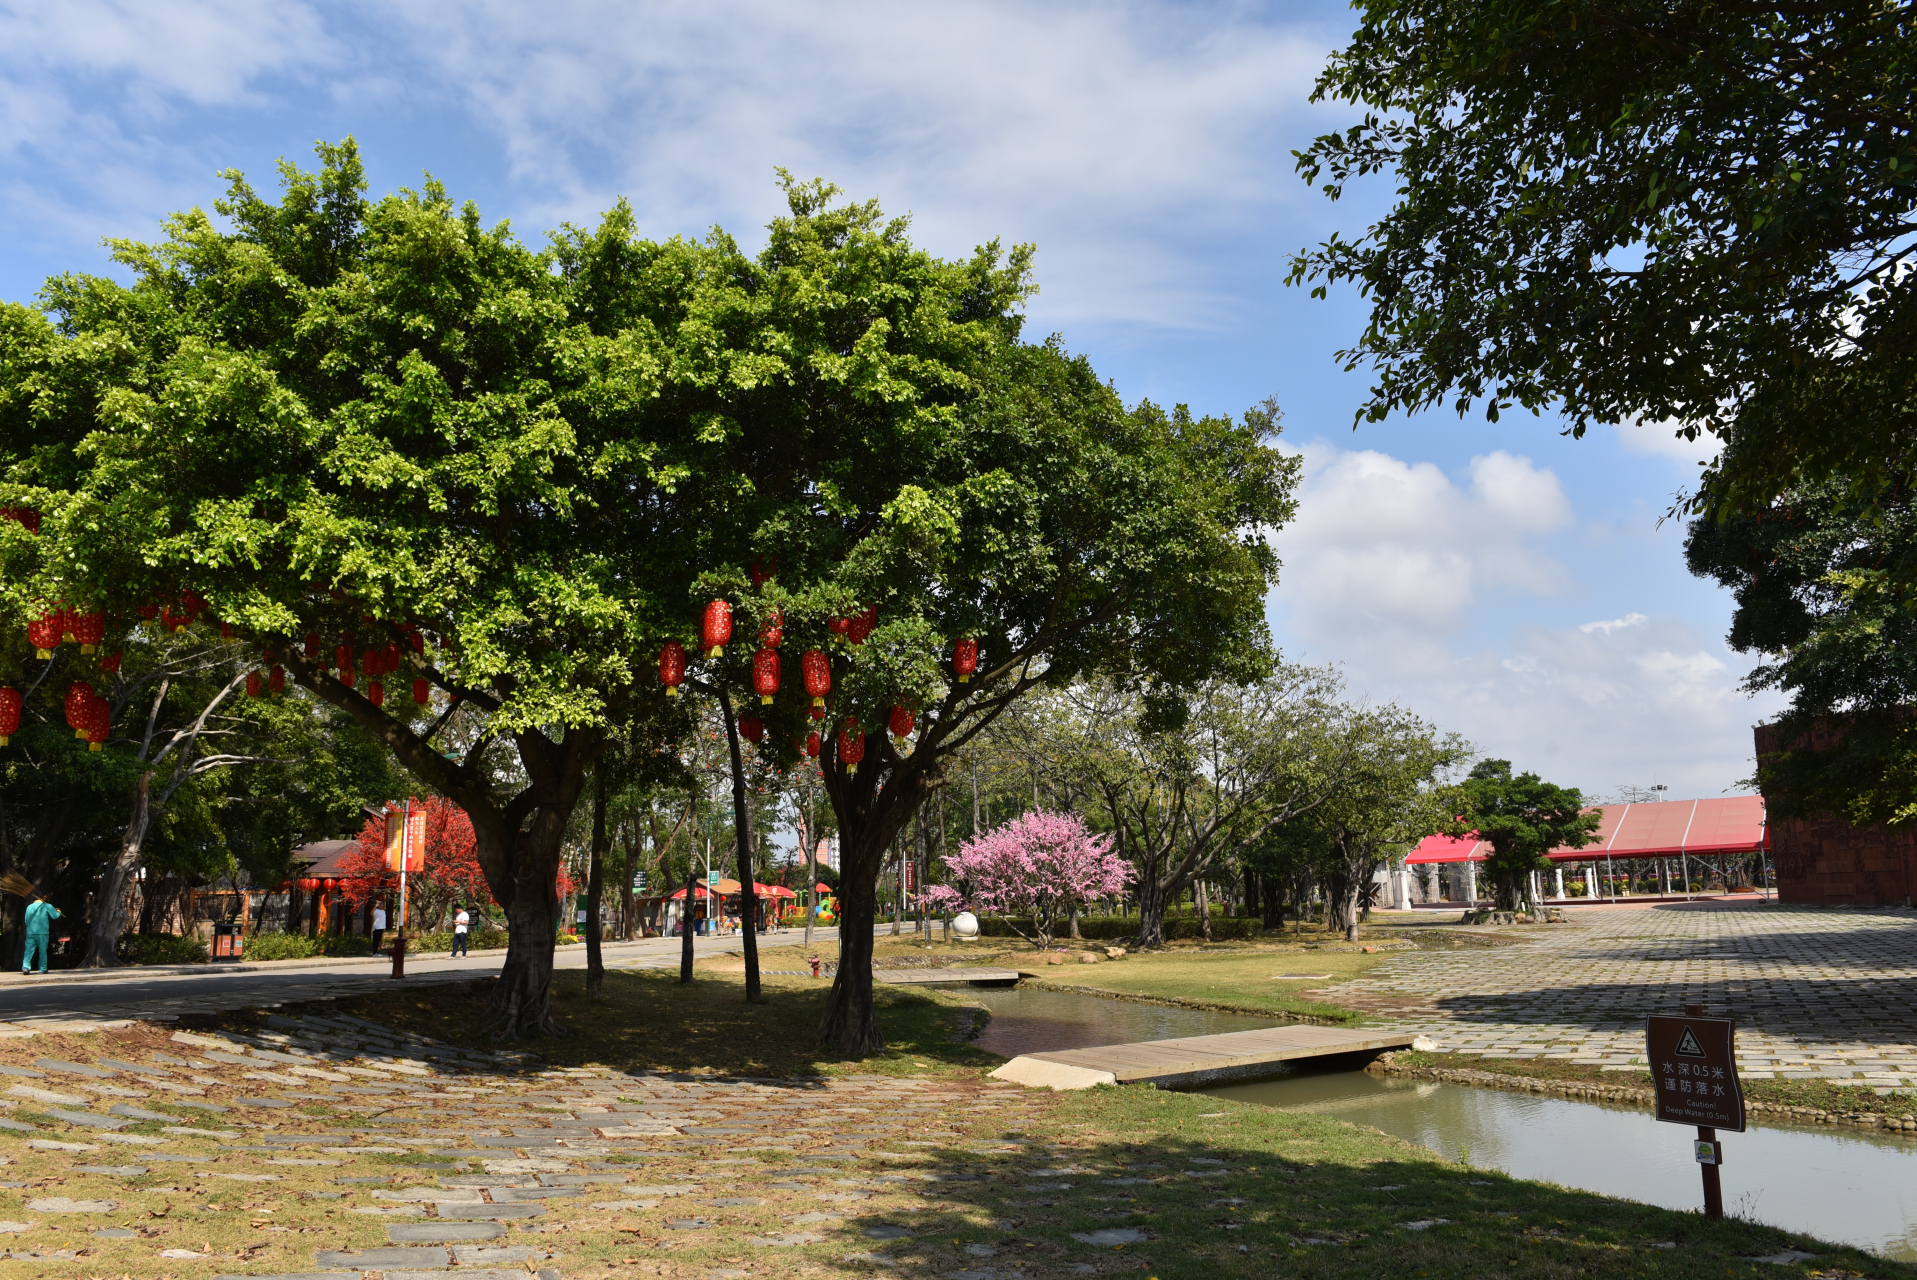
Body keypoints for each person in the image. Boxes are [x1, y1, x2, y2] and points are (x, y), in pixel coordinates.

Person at [22, 893, 61, 975]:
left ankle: (26, 967)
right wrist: (58, 911)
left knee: (28, 950)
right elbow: (55, 916)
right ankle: (43, 968)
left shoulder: (29, 907)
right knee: (42, 951)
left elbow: (26, 920)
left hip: (31, 932)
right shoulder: (47, 906)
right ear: (44, 896)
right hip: (43, 933)